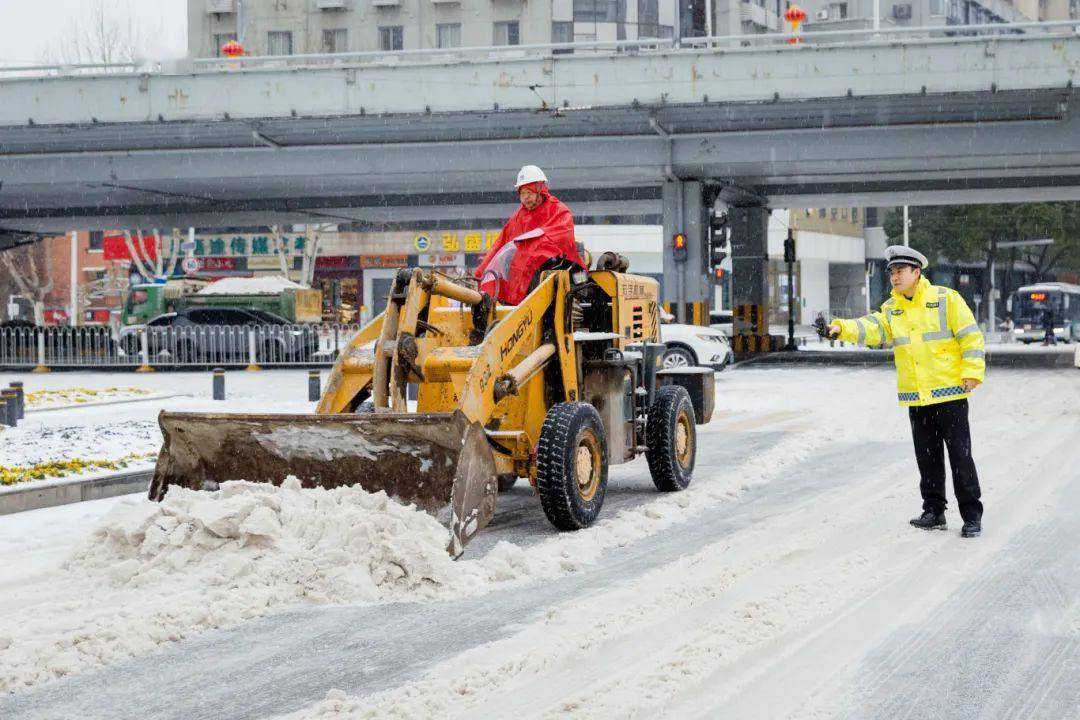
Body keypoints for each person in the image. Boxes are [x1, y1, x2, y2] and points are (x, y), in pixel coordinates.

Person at [814, 245, 986, 538]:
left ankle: (971, 515)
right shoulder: (892, 308)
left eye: (900, 271)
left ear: (916, 272)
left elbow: (971, 337)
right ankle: (934, 511)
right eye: (892, 272)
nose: (894, 277)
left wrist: (972, 372)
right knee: (927, 457)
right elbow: (871, 328)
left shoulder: (946, 299)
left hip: (950, 394)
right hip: (917, 396)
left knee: (960, 456)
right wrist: (838, 329)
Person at [474, 165, 585, 305]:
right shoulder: (518, 218)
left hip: (559, 270)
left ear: (540, 190)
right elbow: (500, 246)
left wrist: (532, 247)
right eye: (522, 193)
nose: (525, 198)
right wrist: (481, 272)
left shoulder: (558, 211)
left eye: (529, 192)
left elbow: (561, 237)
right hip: (526, 286)